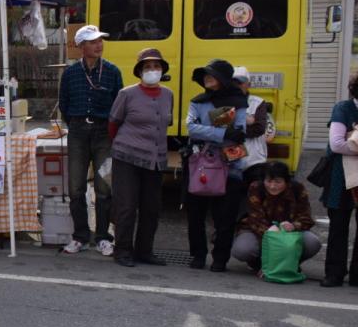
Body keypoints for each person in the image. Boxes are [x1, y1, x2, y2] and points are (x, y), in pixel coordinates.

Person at [58, 24, 123, 256]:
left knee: (104, 186)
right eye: (93, 41)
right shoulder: (70, 73)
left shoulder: (113, 71)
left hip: (104, 132)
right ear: (82, 46)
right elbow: (63, 104)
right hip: (77, 131)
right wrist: (75, 123)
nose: (99, 45)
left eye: (100, 41)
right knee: (75, 187)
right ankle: (80, 236)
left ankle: (104, 236)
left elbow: (119, 105)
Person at [107, 48, 173, 267]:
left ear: (162, 70)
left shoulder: (168, 95)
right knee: (126, 206)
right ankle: (122, 250)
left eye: (156, 67)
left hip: (155, 159)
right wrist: (121, 146)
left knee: (151, 208)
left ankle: (145, 250)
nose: (152, 71)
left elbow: (165, 123)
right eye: (147, 67)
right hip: (127, 156)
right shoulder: (127, 94)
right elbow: (114, 123)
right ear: (139, 71)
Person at [185, 58, 249, 272]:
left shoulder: (238, 100)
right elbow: (191, 128)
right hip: (199, 162)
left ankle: (220, 258)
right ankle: (198, 255)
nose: (207, 78)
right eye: (205, 75)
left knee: (226, 216)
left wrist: (210, 130)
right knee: (195, 214)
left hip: (230, 165)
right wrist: (221, 131)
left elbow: (239, 132)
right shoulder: (198, 100)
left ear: (223, 79)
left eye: (212, 75)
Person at [231, 161, 319, 272]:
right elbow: (254, 217)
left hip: (288, 233)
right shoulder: (256, 187)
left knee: (312, 242)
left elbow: (306, 218)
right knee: (242, 249)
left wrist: (293, 226)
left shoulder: (297, 188)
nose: (272, 186)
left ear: (286, 181)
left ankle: (290, 263)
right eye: (268, 181)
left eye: (278, 182)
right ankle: (258, 263)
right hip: (258, 231)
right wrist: (269, 230)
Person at [319, 72, 358, 287]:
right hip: (340, 174)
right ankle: (334, 272)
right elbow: (336, 144)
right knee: (338, 224)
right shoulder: (343, 108)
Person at [233, 66, 276, 188]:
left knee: (255, 198)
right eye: (233, 82)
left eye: (240, 82)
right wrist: (246, 120)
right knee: (231, 199)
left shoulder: (258, 102)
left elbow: (259, 129)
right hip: (230, 158)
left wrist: (233, 126)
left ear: (248, 84)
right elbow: (217, 126)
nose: (236, 85)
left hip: (254, 160)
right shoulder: (222, 102)